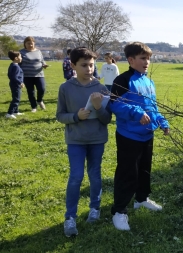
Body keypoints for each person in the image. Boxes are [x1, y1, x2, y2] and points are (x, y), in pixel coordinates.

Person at [109, 42, 170, 231]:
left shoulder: (148, 81)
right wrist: (135, 112)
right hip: (129, 135)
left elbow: (152, 106)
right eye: (143, 58)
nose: (147, 62)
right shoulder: (123, 79)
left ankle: (141, 199)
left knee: (144, 170)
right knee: (128, 173)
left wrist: (161, 121)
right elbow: (113, 104)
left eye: (148, 58)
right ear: (131, 60)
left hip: (147, 135)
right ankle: (119, 211)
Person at [55, 47, 112, 237]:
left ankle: (95, 208)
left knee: (95, 175)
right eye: (84, 65)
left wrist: (99, 107)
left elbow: (106, 119)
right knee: (76, 177)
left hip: (97, 139)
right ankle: (70, 217)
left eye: (91, 65)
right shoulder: (66, 88)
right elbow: (60, 116)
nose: (89, 69)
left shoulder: (101, 88)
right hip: (76, 140)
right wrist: (76, 116)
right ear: (73, 65)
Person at [19, 36, 49, 112]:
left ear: (34, 43)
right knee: (31, 91)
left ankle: (39, 100)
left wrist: (44, 65)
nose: (30, 45)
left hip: (39, 74)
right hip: (27, 75)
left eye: (32, 43)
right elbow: (19, 63)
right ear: (25, 44)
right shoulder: (21, 52)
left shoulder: (38, 51)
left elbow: (42, 60)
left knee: (42, 89)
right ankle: (34, 107)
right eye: (28, 43)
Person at [6, 51, 25, 119]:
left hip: (13, 84)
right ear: (16, 58)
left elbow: (9, 75)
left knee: (16, 97)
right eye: (20, 56)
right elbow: (14, 77)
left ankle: (15, 111)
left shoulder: (12, 65)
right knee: (16, 99)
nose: (21, 58)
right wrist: (20, 82)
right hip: (16, 85)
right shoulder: (16, 67)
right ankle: (9, 113)